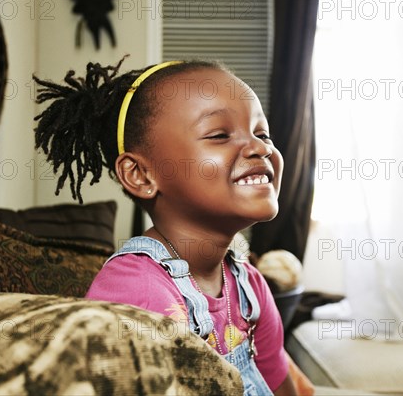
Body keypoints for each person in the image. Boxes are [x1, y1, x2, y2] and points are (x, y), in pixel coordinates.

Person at [33, 55, 296, 395]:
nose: (261, 147)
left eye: (262, 133)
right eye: (219, 134)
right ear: (141, 175)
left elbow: (279, 382)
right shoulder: (138, 293)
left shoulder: (251, 287)